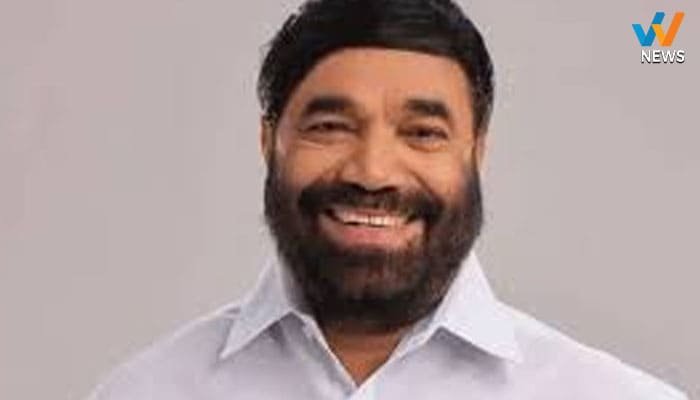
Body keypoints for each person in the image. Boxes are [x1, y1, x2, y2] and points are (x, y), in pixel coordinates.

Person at [87, 0, 688, 398]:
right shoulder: (145, 392)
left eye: (422, 133)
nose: (373, 172)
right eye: (330, 126)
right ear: (269, 141)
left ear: (476, 152)